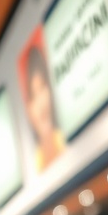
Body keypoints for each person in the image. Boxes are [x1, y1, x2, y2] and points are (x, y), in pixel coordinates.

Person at [23, 43, 64, 173]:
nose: (40, 104)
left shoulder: (65, 141)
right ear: (29, 109)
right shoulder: (33, 165)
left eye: (42, 88)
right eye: (34, 95)